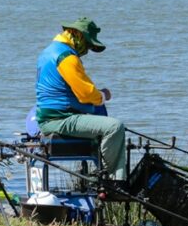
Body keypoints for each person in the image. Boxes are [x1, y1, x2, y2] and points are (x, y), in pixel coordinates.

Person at [34, 17, 127, 184]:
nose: (87, 50)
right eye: (88, 45)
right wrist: (104, 95)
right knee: (115, 127)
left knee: (103, 121)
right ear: (77, 34)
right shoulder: (67, 57)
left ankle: (104, 173)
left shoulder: (48, 51)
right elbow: (85, 94)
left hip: (50, 116)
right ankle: (113, 181)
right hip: (60, 118)